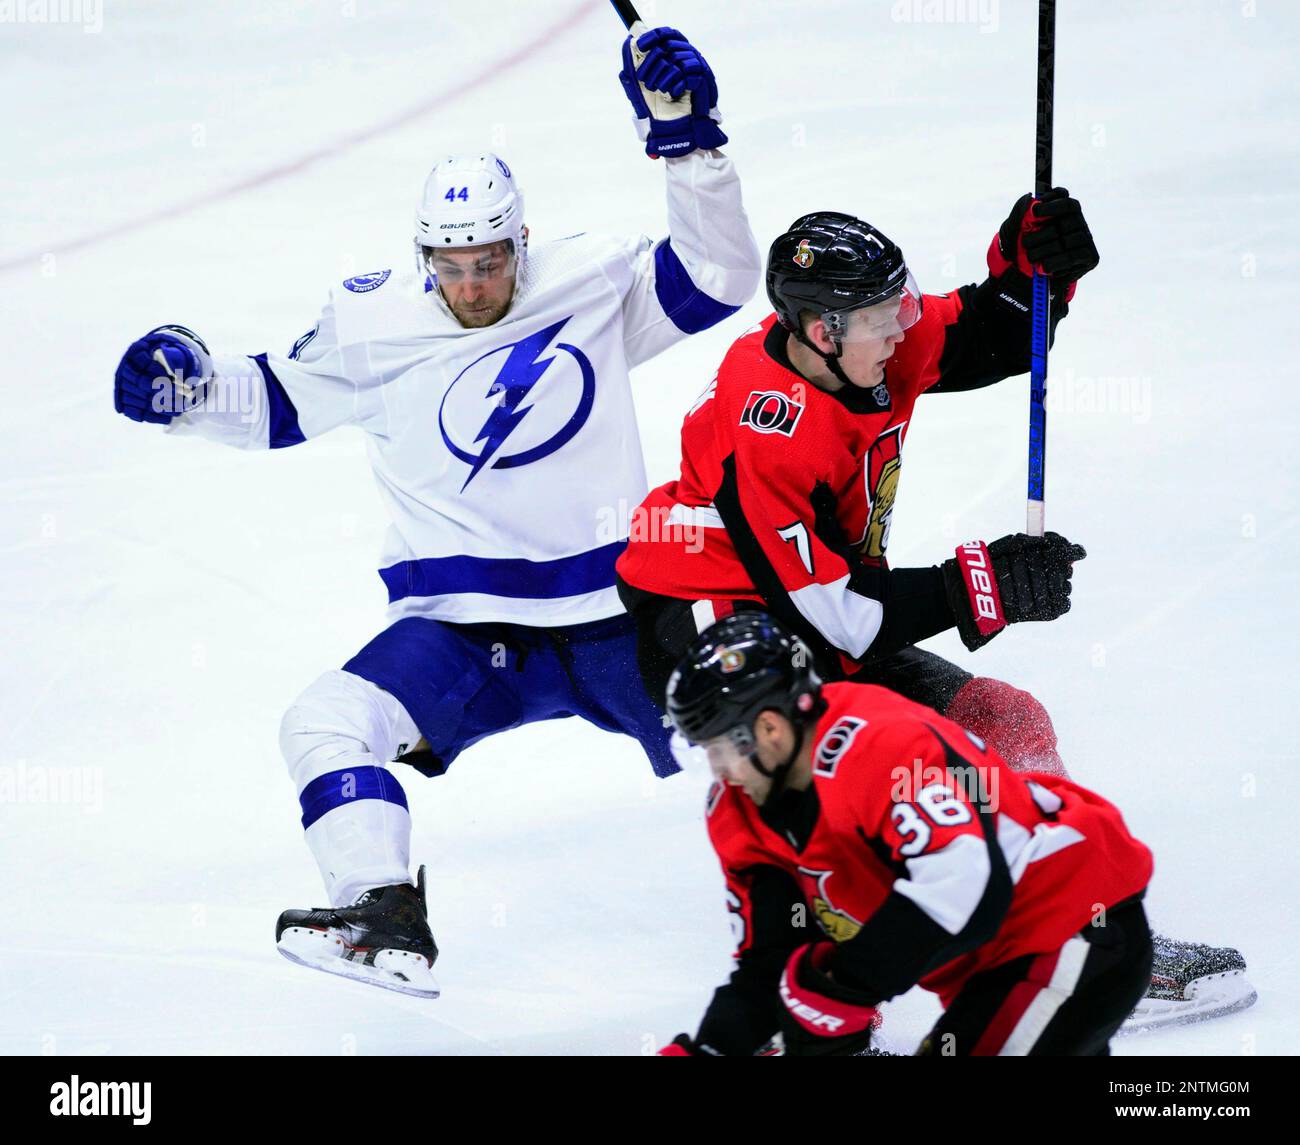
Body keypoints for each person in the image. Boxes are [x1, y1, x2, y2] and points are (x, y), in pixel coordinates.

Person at [111, 25, 761, 997]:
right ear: (424, 258)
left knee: (759, 747)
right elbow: (275, 401)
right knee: (325, 722)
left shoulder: (587, 284)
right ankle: (381, 908)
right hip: (464, 632)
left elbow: (716, 277)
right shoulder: (374, 326)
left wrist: (689, 142)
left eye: (489, 262)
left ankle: (815, 928)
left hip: (621, 616)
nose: (470, 284)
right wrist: (184, 390)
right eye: (451, 266)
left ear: (521, 242)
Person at [616, 204, 1255, 1027]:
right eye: (882, 317)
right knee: (813, 787)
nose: (902, 328)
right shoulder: (765, 429)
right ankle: (811, 1015)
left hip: (810, 605)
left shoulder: (864, 346)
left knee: (1005, 719)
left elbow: (985, 336)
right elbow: (838, 619)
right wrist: (978, 585)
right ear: (819, 330)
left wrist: (1036, 276)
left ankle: (1070, 933)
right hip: (714, 617)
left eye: (898, 304)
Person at [659, 612, 1156, 1056]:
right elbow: (772, 960)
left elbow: (965, 885)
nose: (717, 770)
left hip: (1069, 927)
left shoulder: (879, 742)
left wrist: (846, 986)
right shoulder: (739, 810)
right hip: (988, 971)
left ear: (769, 729)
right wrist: (709, 1049)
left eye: (718, 747)